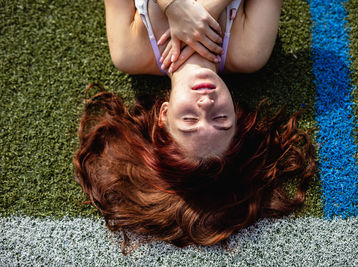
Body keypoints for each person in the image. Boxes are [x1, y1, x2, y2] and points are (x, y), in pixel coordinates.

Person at [74, 0, 316, 253]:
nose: (206, 103)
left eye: (189, 120)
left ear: (164, 115)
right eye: (221, 118)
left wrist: (173, 8)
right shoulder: (249, 51)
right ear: (235, 112)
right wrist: (209, 11)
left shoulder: (130, 53)